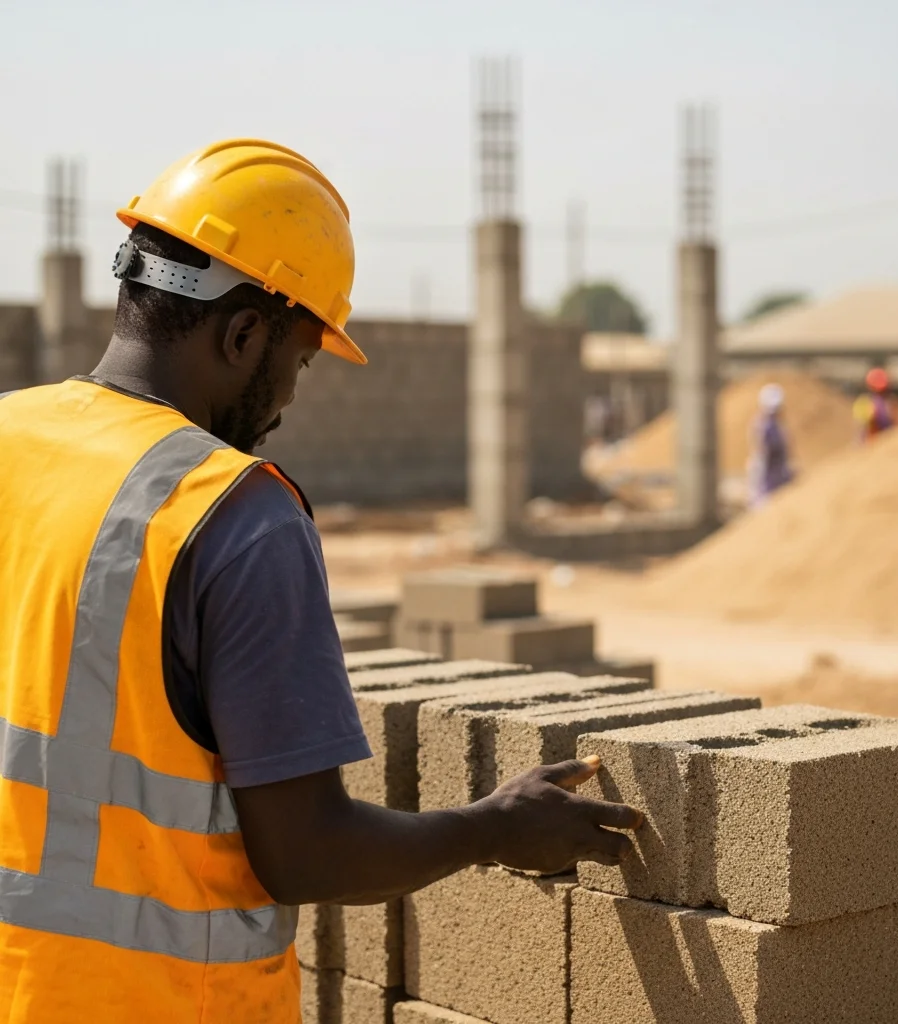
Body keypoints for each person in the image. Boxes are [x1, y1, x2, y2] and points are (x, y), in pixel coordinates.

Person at [0, 140, 641, 1024]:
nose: (288, 404)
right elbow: (305, 851)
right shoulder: (231, 516)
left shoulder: (8, 434)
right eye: (298, 364)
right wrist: (496, 825)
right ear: (243, 333)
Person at [747, 383, 794, 507]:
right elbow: (762, 452)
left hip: (775, 478)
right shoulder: (764, 426)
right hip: (766, 483)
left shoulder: (776, 426)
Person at [853, 367, 898, 442]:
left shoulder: (892, 402)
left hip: (888, 440)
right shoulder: (865, 402)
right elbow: (863, 426)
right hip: (873, 442)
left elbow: (897, 424)